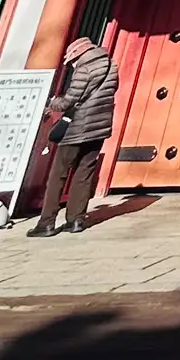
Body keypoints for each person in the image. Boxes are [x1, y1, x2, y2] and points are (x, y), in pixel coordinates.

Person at [29, 34, 119, 237]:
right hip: (100, 125)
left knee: (58, 174)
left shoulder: (84, 67)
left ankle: (46, 223)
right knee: (84, 172)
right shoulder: (111, 64)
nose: (71, 65)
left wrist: (52, 102)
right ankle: (76, 220)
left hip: (78, 126)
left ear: (78, 55)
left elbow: (70, 99)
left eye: (71, 61)